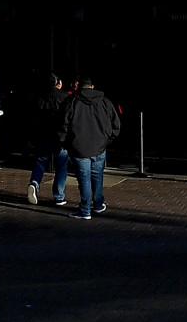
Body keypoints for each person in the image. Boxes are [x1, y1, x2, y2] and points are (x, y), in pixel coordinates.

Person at [60, 75, 121, 220]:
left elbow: (63, 125)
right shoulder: (105, 102)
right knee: (97, 176)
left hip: (79, 147)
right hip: (99, 146)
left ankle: (85, 209)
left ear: (78, 86)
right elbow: (115, 124)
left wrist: (67, 143)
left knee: (84, 179)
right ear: (92, 86)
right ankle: (98, 204)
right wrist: (107, 140)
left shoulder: (72, 102)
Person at [27, 74, 69, 208]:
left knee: (40, 161)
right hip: (59, 136)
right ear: (59, 83)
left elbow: (32, 117)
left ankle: (34, 182)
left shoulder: (38, 98)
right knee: (61, 166)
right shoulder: (65, 98)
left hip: (42, 134)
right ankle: (59, 195)